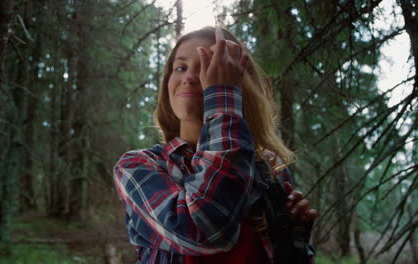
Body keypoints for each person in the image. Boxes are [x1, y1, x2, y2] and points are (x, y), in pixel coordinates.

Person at [114, 26, 318, 264]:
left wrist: (295, 237)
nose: (190, 76)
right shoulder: (139, 166)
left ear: (241, 85)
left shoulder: (269, 168)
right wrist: (221, 94)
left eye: (207, 68)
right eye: (180, 67)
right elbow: (205, 231)